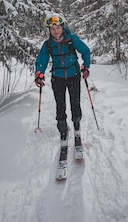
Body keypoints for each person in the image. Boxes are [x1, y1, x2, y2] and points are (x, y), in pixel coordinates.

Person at [34, 13, 91, 144]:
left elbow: (86, 51)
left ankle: (77, 128)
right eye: (52, 29)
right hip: (57, 78)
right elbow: (42, 59)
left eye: (58, 28)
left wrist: (86, 66)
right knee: (60, 106)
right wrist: (39, 73)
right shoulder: (47, 44)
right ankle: (63, 131)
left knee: (75, 103)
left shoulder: (72, 39)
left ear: (62, 27)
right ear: (49, 30)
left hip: (74, 75)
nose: (55, 31)